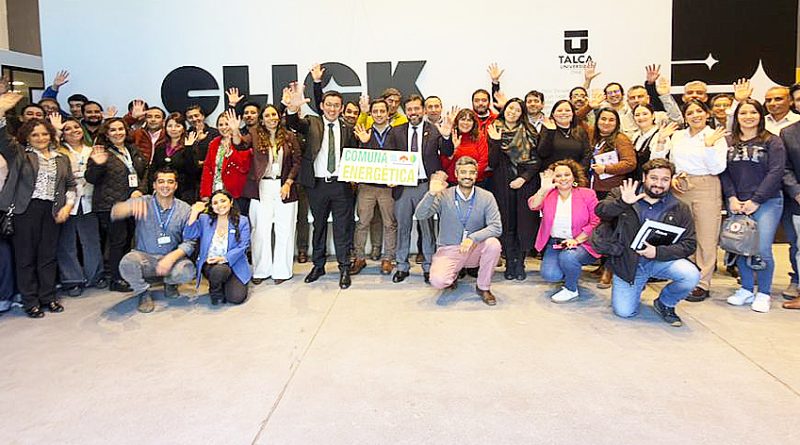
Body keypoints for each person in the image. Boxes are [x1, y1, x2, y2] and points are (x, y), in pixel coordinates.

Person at [595, 160, 700, 327]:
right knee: (624, 312)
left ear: (671, 181)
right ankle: (636, 286)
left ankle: (665, 303)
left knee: (690, 275)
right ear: (644, 177)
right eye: (654, 178)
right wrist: (622, 203)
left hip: (660, 261)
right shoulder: (623, 193)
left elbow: (689, 244)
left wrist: (658, 252)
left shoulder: (680, 208)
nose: (659, 184)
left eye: (665, 179)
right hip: (629, 264)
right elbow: (601, 211)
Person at [0, 92, 76, 318]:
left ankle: (48, 297)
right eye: (35, 134)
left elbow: (71, 185)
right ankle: (30, 301)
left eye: (44, 133)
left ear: (51, 135)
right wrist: (1, 111)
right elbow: (3, 139)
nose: (41, 138)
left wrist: (67, 206)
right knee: (25, 258)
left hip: (52, 211)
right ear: (27, 137)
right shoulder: (20, 155)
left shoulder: (61, 158)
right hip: (25, 211)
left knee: (48, 256)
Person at [284, 84, 359, 289]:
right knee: (319, 226)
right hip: (316, 185)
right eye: (329, 105)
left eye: (336, 105)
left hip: (341, 185)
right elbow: (293, 122)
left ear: (341, 108)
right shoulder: (312, 122)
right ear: (322, 106)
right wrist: (293, 108)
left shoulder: (348, 128)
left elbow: (355, 154)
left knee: (342, 228)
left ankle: (344, 267)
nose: (332, 109)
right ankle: (318, 266)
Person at [652, 100, 727, 302]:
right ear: (685, 117)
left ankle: (702, 283)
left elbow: (717, 168)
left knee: (706, 237)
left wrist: (709, 146)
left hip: (706, 184)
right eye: (690, 112)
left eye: (699, 111)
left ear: (707, 114)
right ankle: (683, 277)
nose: (695, 115)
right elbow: (660, 160)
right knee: (681, 233)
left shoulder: (715, 135)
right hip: (679, 185)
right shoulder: (678, 135)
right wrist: (661, 140)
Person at [721, 99, 786, 313]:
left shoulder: (772, 141)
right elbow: (723, 172)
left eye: (753, 112)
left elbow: (776, 172)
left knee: (762, 248)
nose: (748, 117)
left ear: (760, 115)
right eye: (743, 113)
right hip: (737, 202)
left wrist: (756, 200)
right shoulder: (728, 141)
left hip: (767, 201)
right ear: (737, 117)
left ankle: (764, 293)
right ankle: (746, 289)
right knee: (740, 245)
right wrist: (731, 197)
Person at [415, 157, 502, 305]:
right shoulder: (444, 195)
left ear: (476, 175)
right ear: (456, 174)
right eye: (463, 172)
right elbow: (420, 215)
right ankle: (453, 275)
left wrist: (473, 238)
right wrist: (431, 193)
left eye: (471, 172)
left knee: (493, 244)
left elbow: (496, 226)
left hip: (474, 247)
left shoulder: (487, 197)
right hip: (449, 248)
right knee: (438, 281)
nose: (467, 176)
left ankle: (483, 287)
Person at [386, 94, 454, 283]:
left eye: (417, 108)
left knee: (427, 228)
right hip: (403, 186)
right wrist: (390, 176)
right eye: (409, 109)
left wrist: (446, 136)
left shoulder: (435, 130)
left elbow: (447, 152)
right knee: (403, 227)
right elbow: (389, 157)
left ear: (423, 110)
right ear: (405, 111)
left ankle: (428, 266)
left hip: (426, 186)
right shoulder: (396, 131)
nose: (413, 112)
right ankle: (402, 266)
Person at [113, 167, 196, 313]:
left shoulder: (184, 209)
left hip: (171, 258)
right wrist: (127, 207)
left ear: (176, 185)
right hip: (145, 257)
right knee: (127, 263)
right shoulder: (143, 202)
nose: (165, 185)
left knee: (187, 271)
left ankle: (170, 283)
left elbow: (190, 242)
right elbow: (115, 211)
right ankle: (142, 291)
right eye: (161, 181)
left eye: (170, 182)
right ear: (154, 185)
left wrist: (170, 258)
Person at [85, 117, 148, 292]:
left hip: (133, 203)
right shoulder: (100, 152)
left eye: (121, 129)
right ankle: (116, 279)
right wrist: (98, 165)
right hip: (110, 205)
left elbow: (145, 172)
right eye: (113, 130)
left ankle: (126, 273)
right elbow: (91, 178)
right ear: (106, 133)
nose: (118, 133)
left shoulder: (132, 149)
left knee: (128, 240)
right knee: (117, 242)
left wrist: (140, 190)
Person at [243, 104, 301, 285]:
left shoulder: (289, 136)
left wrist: (288, 182)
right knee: (260, 230)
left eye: (274, 114)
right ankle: (261, 270)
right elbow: (239, 145)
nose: (271, 118)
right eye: (267, 115)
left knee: (285, 230)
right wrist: (236, 131)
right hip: (261, 187)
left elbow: (297, 162)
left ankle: (282, 270)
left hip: (284, 186)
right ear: (262, 119)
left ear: (279, 116)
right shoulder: (254, 135)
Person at [528, 159, 600, 302]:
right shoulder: (548, 194)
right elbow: (533, 206)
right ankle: (571, 270)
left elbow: (596, 221)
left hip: (583, 243)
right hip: (556, 243)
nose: (563, 178)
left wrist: (577, 240)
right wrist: (543, 189)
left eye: (567, 175)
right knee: (550, 275)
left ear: (574, 177)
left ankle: (571, 289)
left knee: (569, 257)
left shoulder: (587, 194)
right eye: (558, 175)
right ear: (553, 178)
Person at [487, 98, 541, 280]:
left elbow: (537, 160)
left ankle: (521, 263)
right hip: (501, 183)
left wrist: (523, 178)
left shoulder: (530, 130)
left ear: (522, 113)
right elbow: (492, 162)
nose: (513, 112)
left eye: (518, 110)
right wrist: (496, 142)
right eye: (510, 108)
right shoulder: (495, 129)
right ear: (505, 110)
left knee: (524, 224)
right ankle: (510, 262)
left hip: (526, 183)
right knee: (507, 223)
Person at [56, 117, 106, 295]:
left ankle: (95, 275)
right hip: (66, 203)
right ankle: (72, 280)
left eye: (76, 127)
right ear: (62, 134)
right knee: (66, 243)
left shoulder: (92, 149)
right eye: (67, 129)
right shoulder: (57, 151)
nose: (73, 131)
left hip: (89, 201)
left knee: (91, 240)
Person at [350, 99, 398, 276]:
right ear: (370, 113)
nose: (379, 114)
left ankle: (388, 258)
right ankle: (359, 258)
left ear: (388, 113)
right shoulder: (364, 132)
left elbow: (402, 158)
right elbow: (357, 158)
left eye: (382, 111)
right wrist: (363, 143)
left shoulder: (397, 133)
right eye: (375, 111)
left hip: (388, 186)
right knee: (362, 222)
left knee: (389, 223)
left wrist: (398, 178)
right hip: (367, 186)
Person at [184, 190, 251, 305]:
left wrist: (224, 258)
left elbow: (243, 245)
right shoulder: (205, 219)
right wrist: (194, 213)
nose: (220, 205)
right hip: (211, 264)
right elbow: (189, 235)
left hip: (234, 262)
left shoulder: (242, 221)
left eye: (223, 201)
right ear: (211, 206)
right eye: (215, 203)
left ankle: (225, 282)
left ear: (231, 202)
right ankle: (215, 291)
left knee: (236, 298)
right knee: (220, 271)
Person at [199, 110, 251, 211]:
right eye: (220, 125)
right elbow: (207, 168)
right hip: (216, 192)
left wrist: (232, 154)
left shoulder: (242, 142)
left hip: (236, 194)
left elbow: (244, 167)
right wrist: (205, 193)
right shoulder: (214, 143)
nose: (224, 127)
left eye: (227, 124)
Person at [147, 112, 198, 203]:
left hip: (183, 192)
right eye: (170, 126)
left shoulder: (190, 145)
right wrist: (153, 188)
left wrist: (189, 148)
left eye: (177, 126)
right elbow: (153, 169)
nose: (173, 129)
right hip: (162, 191)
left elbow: (193, 170)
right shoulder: (160, 146)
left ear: (183, 128)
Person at [538, 100, 591, 170]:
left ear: (572, 114)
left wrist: (579, 172)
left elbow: (587, 155)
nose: (563, 113)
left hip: (576, 173)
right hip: (552, 173)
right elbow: (542, 154)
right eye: (559, 111)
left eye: (567, 110)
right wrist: (551, 131)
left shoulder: (580, 131)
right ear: (553, 114)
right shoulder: (547, 129)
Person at [440, 109, 489, 186]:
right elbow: (443, 165)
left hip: (475, 182)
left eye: (469, 120)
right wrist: (453, 150)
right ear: (457, 122)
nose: (466, 123)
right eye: (463, 119)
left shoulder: (479, 137)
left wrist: (469, 177)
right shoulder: (449, 137)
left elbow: (484, 161)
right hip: (452, 183)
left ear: (474, 123)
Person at [631, 104, 680, 180]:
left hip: (655, 180)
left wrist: (660, 141)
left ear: (653, 116)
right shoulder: (635, 136)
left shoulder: (661, 135)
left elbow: (658, 162)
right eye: (637, 115)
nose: (641, 117)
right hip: (638, 179)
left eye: (645, 114)